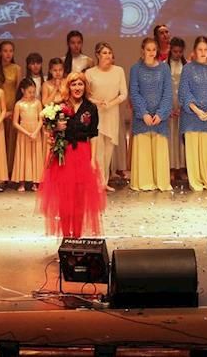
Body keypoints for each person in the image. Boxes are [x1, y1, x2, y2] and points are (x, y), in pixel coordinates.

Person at [37, 73, 106, 238]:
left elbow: (93, 135)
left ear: (85, 87)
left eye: (80, 84)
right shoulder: (60, 106)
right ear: (68, 87)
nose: (77, 88)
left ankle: (77, 235)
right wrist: (56, 127)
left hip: (82, 153)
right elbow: (48, 129)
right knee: (64, 197)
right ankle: (66, 236)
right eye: (74, 84)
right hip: (64, 154)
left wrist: (93, 159)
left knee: (80, 197)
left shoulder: (90, 108)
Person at [128, 37, 174, 192]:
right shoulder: (135, 69)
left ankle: (160, 182)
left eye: (154, 49)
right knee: (143, 152)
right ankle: (144, 182)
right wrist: (144, 113)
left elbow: (168, 93)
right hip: (143, 119)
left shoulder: (164, 68)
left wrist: (160, 114)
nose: (151, 52)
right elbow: (134, 93)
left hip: (159, 119)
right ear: (143, 50)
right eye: (148, 49)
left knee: (159, 151)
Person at [179, 36, 207, 191]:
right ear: (195, 50)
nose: (203, 52)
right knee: (193, 152)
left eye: (205, 49)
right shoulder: (188, 68)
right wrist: (197, 110)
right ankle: (195, 182)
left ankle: (206, 180)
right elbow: (184, 92)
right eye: (200, 49)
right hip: (191, 116)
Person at [85, 42, 127, 192]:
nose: (108, 55)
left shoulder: (118, 71)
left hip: (112, 113)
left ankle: (104, 181)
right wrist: (97, 102)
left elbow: (123, 94)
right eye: (104, 53)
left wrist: (110, 103)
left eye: (109, 52)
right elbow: (86, 95)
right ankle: (97, 182)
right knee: (98, 151)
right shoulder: (90, 73)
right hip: (96, 113)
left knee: (108, 150)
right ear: (98, 55)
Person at [11, 78, 43, 191]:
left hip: (35, 132)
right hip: (23, 133)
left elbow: (41, 120)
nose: (32, 94)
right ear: (22, 90)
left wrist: (35, 132)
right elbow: (15, 123)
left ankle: (35, 182)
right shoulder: (19, 104)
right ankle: (22, 182)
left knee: (35, 156)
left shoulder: (37, 103)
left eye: (34, 92)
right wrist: (27, 133)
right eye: (29, 92)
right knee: (23, 156)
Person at [0, 41, 21, 177]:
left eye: (11, 51)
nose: (8, 54)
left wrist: (15, 110)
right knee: (0, 140)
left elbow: (18, 91)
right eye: (5, 51)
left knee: (11, 140)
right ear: (0, 52)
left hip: (12, 108)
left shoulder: (16, 68)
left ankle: (10, 171)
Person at [167, 37, 187, 181]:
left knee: (182, 136)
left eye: (180, 51)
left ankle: (182, 168)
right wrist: (167, 108)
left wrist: (182, 106)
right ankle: (171, 168)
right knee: (171, 136)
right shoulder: (164, 65)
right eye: (175, 51)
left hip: (183, 104)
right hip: (169, 103)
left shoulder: (186, 65)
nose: (178, 54)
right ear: (170, 50)